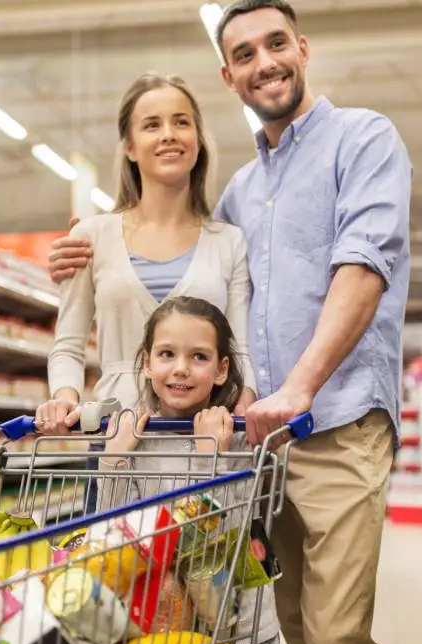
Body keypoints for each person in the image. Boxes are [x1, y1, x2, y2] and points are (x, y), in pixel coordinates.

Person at [45, 2, 412, 644]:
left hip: (327, 424)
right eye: (245, 54)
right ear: (230, 76)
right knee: (268, 627)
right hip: (231, 449)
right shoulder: (242, 194)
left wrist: (294, 388)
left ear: (302, 47)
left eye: (276, 44)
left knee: (331, 638)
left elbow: (364, 266)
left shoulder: (362, 139)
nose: (265, 62)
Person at [34, 72, 259, 508]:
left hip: (202, 439)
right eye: (151, 125)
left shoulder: (228, 240)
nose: (169, 135)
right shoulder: (93, 236)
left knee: (204, 564)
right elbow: (69, 343)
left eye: (181, 122)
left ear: (197, 140)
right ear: (130, 147)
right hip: (118, 437)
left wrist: (241, 415)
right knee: (117, 564)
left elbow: (241, 348)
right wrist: (63, 399)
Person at [98, 296, 281, 644]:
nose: (180, 369)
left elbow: (223, 534)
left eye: (199, 357)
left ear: (221, 369)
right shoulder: (136, 438)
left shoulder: (241, 438)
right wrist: (113, 458)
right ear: (147, 363)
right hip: (163, 634)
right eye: (166, 354)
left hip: (240, 631)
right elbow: (112, 533)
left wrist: (209, 456)